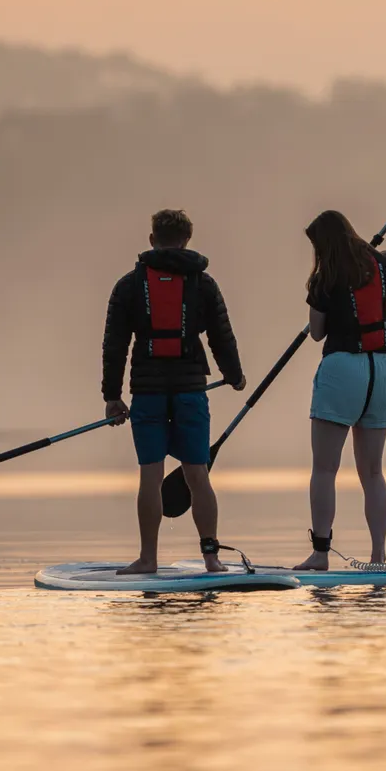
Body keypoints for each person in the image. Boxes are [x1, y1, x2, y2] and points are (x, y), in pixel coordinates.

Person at [294, 169, 386, 571]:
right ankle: (378, 556)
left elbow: (317, 335)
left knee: (325, 468)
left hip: (342, 370)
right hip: (381, 370)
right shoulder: (384, 264)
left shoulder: (324, 277)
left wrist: (315, 312)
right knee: (373, 472)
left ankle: (321, 554)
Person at [102, 209, 246, 574]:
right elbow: (221, 335)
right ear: (186, 241)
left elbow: (114, 344)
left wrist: (112, 395)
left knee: (150, 476)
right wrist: (234, 375)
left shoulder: (129, 285)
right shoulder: (204, 284)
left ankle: (148, 559)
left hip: (147, 392)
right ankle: (211, 559)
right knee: (197, 474)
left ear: (152, 240)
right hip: (190, 390)